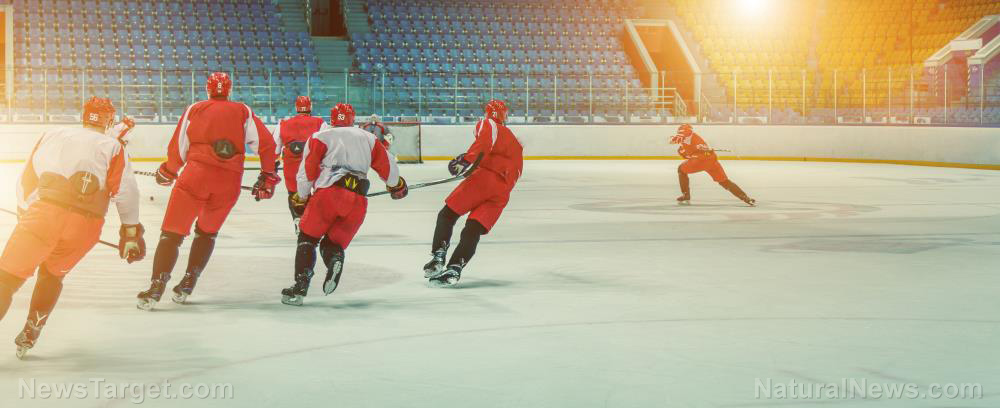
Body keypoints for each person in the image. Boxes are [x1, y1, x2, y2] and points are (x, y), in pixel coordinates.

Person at [0, 97, 145, 358]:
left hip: (43, 215)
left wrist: (25, 210)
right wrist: (131, 232)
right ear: (109, 120)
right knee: (52, 275)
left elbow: (26, 179)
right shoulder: (113, 146)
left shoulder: (53, 134)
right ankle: (32, 330)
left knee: (7, 278)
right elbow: (126, 192)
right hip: (86, 225)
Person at [137, 72, 280, 310]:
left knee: (172, 234)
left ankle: (156, 287)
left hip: (196, 177)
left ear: (208, 89)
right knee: (207, 233)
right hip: (229, 182)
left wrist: (168, 171)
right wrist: (267, 176)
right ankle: (188, 283)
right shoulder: (243, 111)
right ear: (229, 90)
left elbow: (179, 147)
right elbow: (267, 145)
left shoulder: (196, 108)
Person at [281, 103, 408, 306]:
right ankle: (335, 259)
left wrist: (301, 196)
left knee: (307, 238)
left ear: (331, 118)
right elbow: (388, 165)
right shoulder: (368, 138)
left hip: (328, 195)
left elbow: (307, 171)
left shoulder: (320, 136)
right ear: (352, 118)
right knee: (332, 244)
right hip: (357, 201)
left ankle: (300, 287)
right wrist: (396, 185)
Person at [423, 100, 522, 287]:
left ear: (488, 113)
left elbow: (484, 142)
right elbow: (514, 170)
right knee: (473, 229)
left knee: (447, 215)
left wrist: (465, 161)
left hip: (483, 180)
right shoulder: (515, 141)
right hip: (502, 193)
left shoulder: (489, 124)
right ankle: (455, 268)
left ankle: (438, 257)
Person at [272, 96, 329, 232]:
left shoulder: (283, 124)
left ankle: (298, 219)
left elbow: (274, 150)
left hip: (291, 166)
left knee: (294, 194)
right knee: (319, 193)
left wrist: (271, 167)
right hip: (314, 165)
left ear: (296, 107)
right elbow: (328, 145)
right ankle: (316, 223)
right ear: (310, 107)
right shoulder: (320, 123)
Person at [671, 123, 755, 206]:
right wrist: (683, 150)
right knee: (724, 181)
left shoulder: (687, 136)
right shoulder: (691, 138)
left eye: (680, 131)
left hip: (700, 161)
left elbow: (682, 137)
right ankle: (745, 197)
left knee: (681, 170)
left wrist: (678, 138)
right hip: (712, 161)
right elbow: (688, 152)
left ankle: (686, 195)